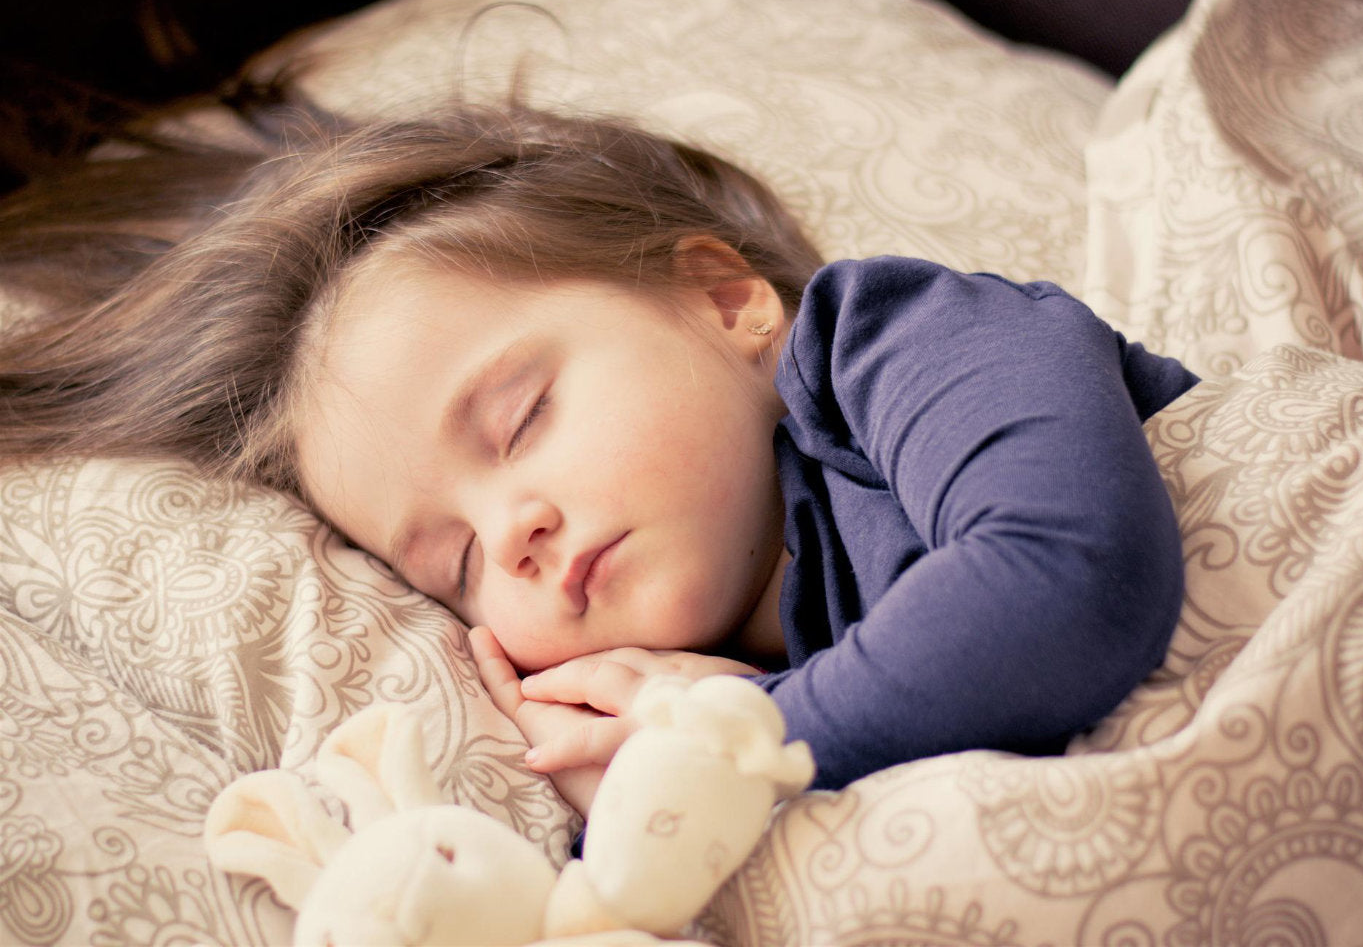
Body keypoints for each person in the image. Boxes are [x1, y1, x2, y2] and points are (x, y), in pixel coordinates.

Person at [0, 103, 1196, 818]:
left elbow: (1066, 574)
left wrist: (739, 737)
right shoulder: (698, 675)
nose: (509, 532)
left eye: (519, 419)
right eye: (456, 562)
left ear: (725, 300)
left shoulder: (899, 339)